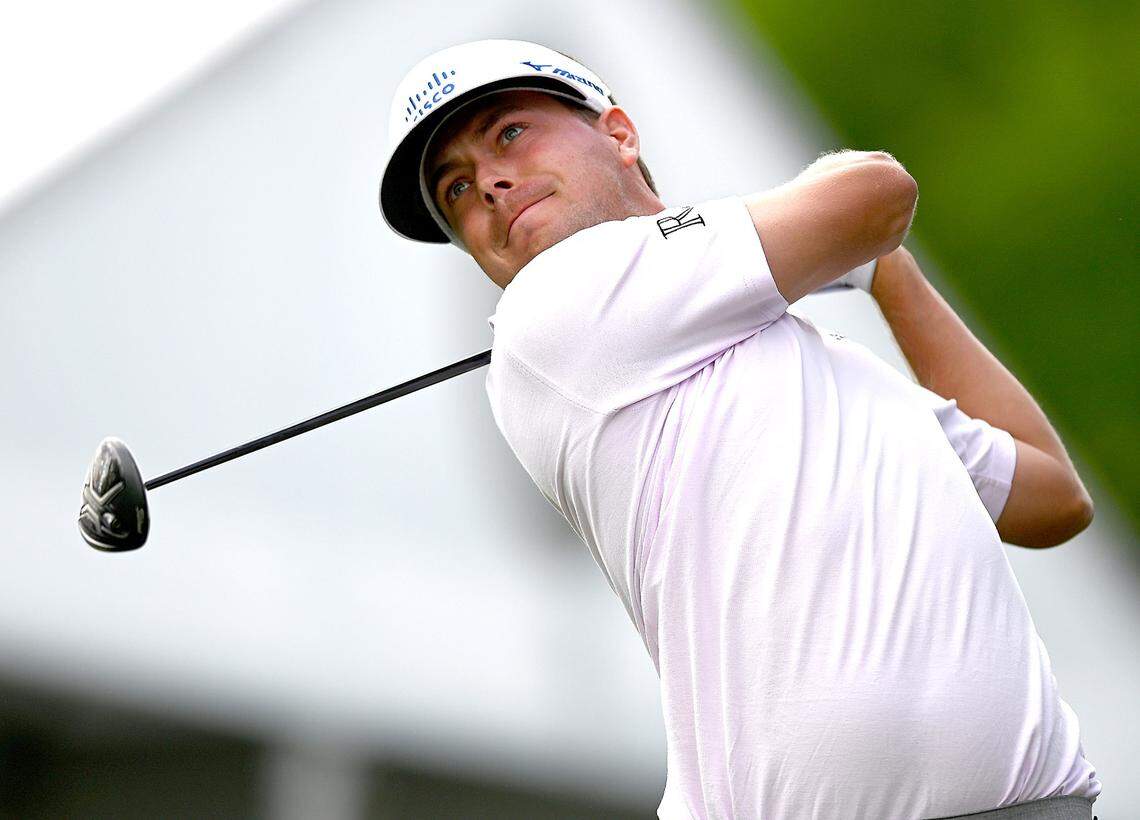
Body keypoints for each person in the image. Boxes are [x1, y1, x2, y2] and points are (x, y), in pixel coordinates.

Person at [378, 39, 1101, 820]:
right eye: (454, 188)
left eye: (509, 133)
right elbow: (877, 190)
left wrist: (889, 268)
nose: (486, 182)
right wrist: (856, 235)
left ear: (619, 133)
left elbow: (1052, 499)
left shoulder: (842, 377)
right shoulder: (549, 309)